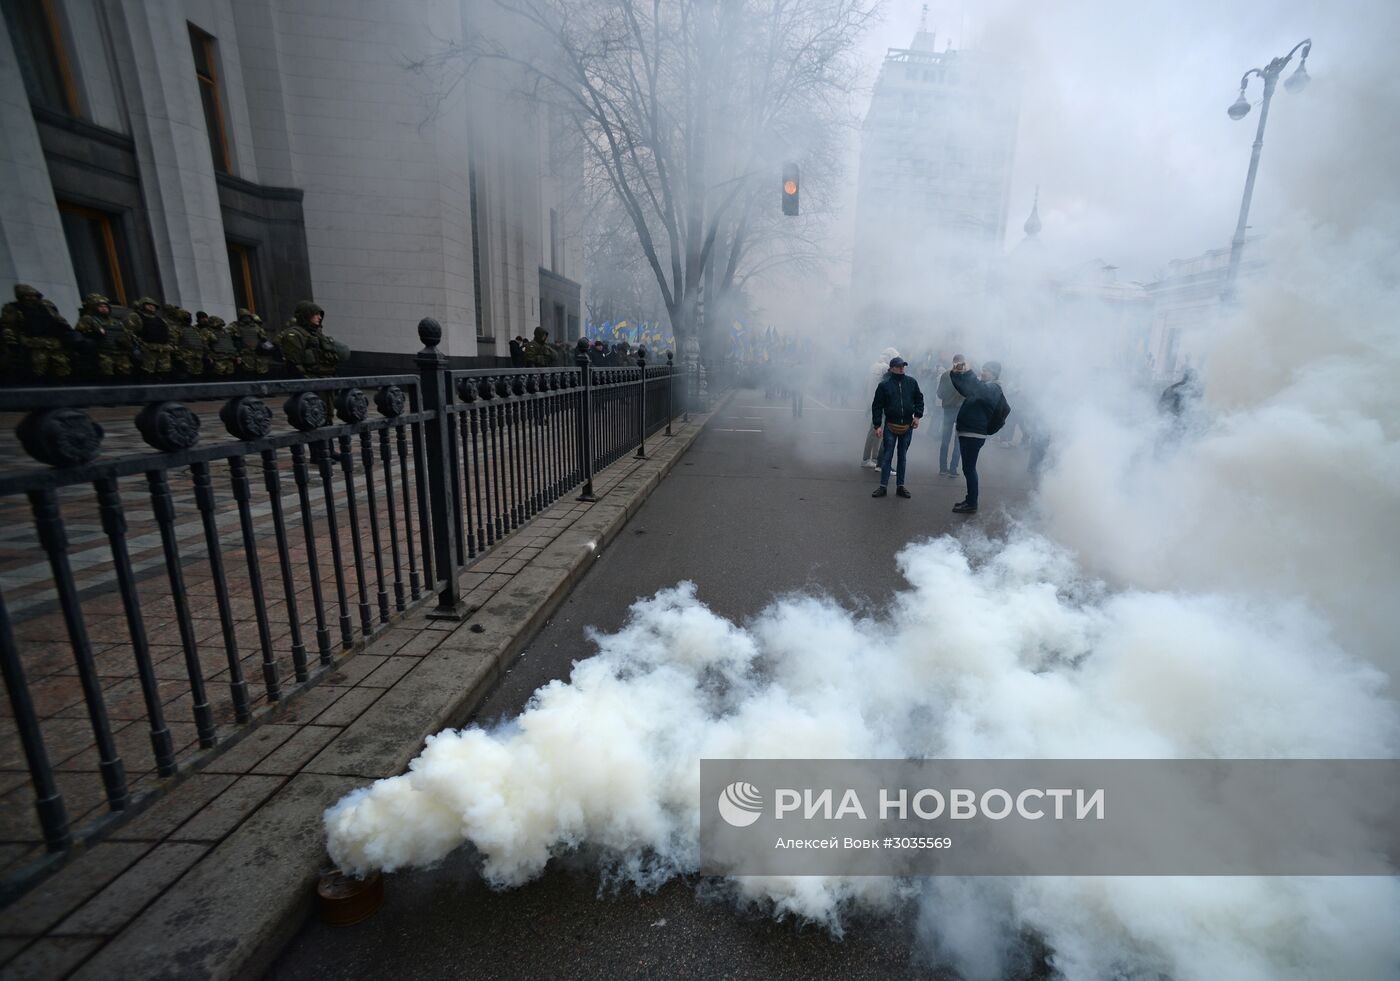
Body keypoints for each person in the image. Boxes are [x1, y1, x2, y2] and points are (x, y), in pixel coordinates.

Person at [949, 360, 1011, 515]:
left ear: (994, 374)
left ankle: (972, 503)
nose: (982, 372)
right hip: (968, 431)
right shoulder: (984, 387)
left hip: (974, 433)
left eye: (986, 371)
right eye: (982, 369)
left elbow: (978, 389)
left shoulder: (994, 388)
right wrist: (955, 373)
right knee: (968, 468)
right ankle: (970, 499)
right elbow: (964, 388)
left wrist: (969, 372)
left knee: (969, 469)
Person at [870, 356, 924, 499]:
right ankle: (883, 487)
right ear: (892, 368)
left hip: (907, 425)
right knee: (887, 456)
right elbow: (877, 406)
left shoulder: (911, 382)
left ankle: (900, 486)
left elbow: (919, 399)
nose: (902, 368)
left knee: (902, 457)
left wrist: (917, 417)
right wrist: (877, 425)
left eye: (903, 366)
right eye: (899, 366)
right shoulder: (884, 385)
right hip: (890, 425)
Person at [2, 284, 76, 381]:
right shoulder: (14, 309)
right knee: (39, 362)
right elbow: (8, 326)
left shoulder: (46, 307)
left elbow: (60, 322)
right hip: (30, 342)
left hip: (52, 341)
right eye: (27, 296)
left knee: (61, 362)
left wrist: (69, 335)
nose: (31, 298)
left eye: (33, 296)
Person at [279, 300, 350, 379]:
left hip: (327, 379)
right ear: (306, 315)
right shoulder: (294, 335)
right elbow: (294, 365)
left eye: (320, 315)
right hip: (310, 382)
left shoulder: (318, 335)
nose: (319, 317)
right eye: (316, 314)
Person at [75, 293, 138, 380]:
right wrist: (94, 335)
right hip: (103, 354)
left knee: (125, 377)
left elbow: (127, 335)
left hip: (120, 354)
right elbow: (79, 335)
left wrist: (126, 341)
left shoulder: (117, 322)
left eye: (106, 306)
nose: (104, 308)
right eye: (100, 306)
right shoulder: (89, 319)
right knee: (107, 377)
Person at [861, 347, 900, 468]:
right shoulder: (884, 368)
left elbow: (866, 384)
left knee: (875, 430)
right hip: (880, 403)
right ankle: (868, 458)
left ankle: (872, 457)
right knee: (875, 430)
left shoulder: (873, 366)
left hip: (872, 401)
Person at [124, 296, 173, 378]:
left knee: (165, 373)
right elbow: (128, 331)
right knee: (147, 373)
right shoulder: (135, 316)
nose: (151, 307)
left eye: (153, 305)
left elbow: (169, 333)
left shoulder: (160, 320)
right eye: (148, 305)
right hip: (147, 349)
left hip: (163, 350)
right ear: (142, 306)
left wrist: (171, 345)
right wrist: (138, 344)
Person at [935, 353, 965, 478]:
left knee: (945, 440)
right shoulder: (966, 377)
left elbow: (940, 394)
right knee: (958, 441)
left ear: (953, 361)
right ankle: (953, 469)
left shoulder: (945, 375)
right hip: (961, 411)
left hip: (948, 410)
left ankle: (942, 468)